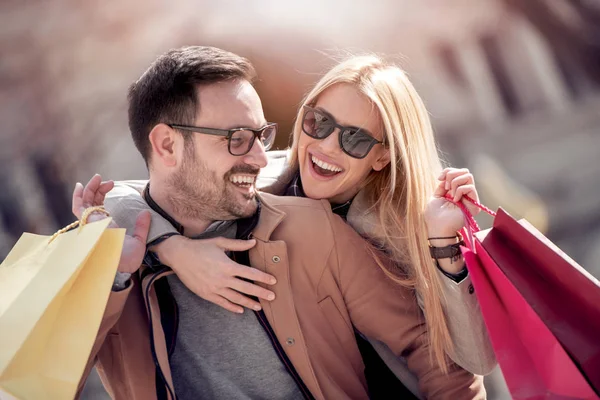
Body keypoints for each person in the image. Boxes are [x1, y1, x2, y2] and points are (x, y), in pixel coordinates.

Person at [75, 46, 485, 400]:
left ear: (382, 157)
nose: (256, 157)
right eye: (237, 137)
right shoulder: (107, 258)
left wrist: (443, 245)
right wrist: (162, 249)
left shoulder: (319, 228)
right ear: (167, 145)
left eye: (259, 136)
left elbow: (448, 358)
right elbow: (31, 381)